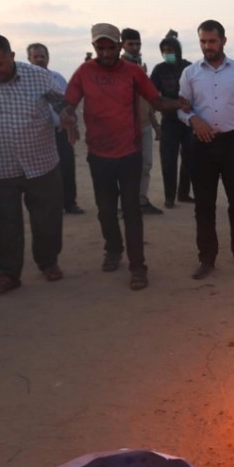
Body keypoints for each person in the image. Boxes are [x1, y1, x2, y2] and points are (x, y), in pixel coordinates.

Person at [62, 23, 183, 291]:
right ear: (94, 48)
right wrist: (67, 117)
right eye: (100, 48)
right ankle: (113, 249)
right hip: (99, 154)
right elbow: (68, 103)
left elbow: (157, 101)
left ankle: (138, 267)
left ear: (119, 46)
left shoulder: (133, 72)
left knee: (132, 212)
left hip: (129, 153)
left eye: (110, 47)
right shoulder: (84, 72)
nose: (105, 53)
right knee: (106, 211)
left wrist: (182, 104)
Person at [178, 19, 234, 280]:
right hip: (202, 146)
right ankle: (206, 258)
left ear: (223, 41)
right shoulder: (190, 73)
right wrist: (193, 119)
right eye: (203, 42)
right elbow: (182, 108)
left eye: (212, 41)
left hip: (232, 144)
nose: (208, 46)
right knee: (204, 205)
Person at [0, 34, 66, 294]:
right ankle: (8, 273)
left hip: (41, 162)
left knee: (47, 218)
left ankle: (48, 262)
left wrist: (68, 117)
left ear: (12, 57)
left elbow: (62, 101)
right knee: (4, 223)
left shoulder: (37, 76)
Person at [26, 43, 84, 215]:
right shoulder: (24, 82)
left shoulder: (57, 78)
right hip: (37, 135)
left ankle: (70, 203)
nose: (39, 60)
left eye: (42, 56)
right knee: (41, 173)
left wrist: (73, 125)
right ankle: (48, 207)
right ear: (29, 59)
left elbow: (69, 103)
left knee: (66, 167)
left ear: (48, 58)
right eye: (35, 57)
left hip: (60, 131)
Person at [121, 28, 163, 216]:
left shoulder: (141, 67)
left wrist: (155, 125)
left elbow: (146, 100)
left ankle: (142, 201)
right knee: (126, 168)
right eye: (131, 44)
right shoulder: (118, 67)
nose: (135, 47)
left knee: (145, 165)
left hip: (145, 124)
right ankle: (125, 205)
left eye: (138, 44)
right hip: (125, 128)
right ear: (123, 45)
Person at [150, 32, 194, 209]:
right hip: (169, 120)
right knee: (168, 159)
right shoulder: (159, 70)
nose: (167, 53)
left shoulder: (189, 67)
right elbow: (152, 96)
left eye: (170, 49)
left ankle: (183, 193)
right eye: (164, 50)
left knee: (190, 158)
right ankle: (169, 196)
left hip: (189, 120)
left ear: (178, 50)